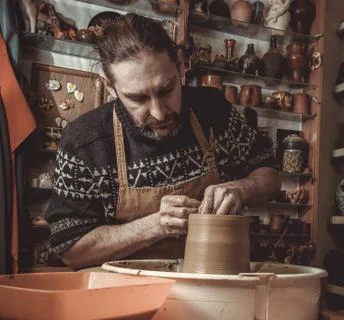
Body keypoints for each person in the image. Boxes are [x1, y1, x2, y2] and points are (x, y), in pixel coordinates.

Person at [45, 13, 281, 269]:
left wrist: (243, 189)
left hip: (213, 284)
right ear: (110, 87)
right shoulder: (84, 142)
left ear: (180, 66)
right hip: (125, 295)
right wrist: (154, 225)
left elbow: (269, 175)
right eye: (138, 98)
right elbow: (70, 249)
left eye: (167, 89)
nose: (158, 112)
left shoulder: (213, 110)